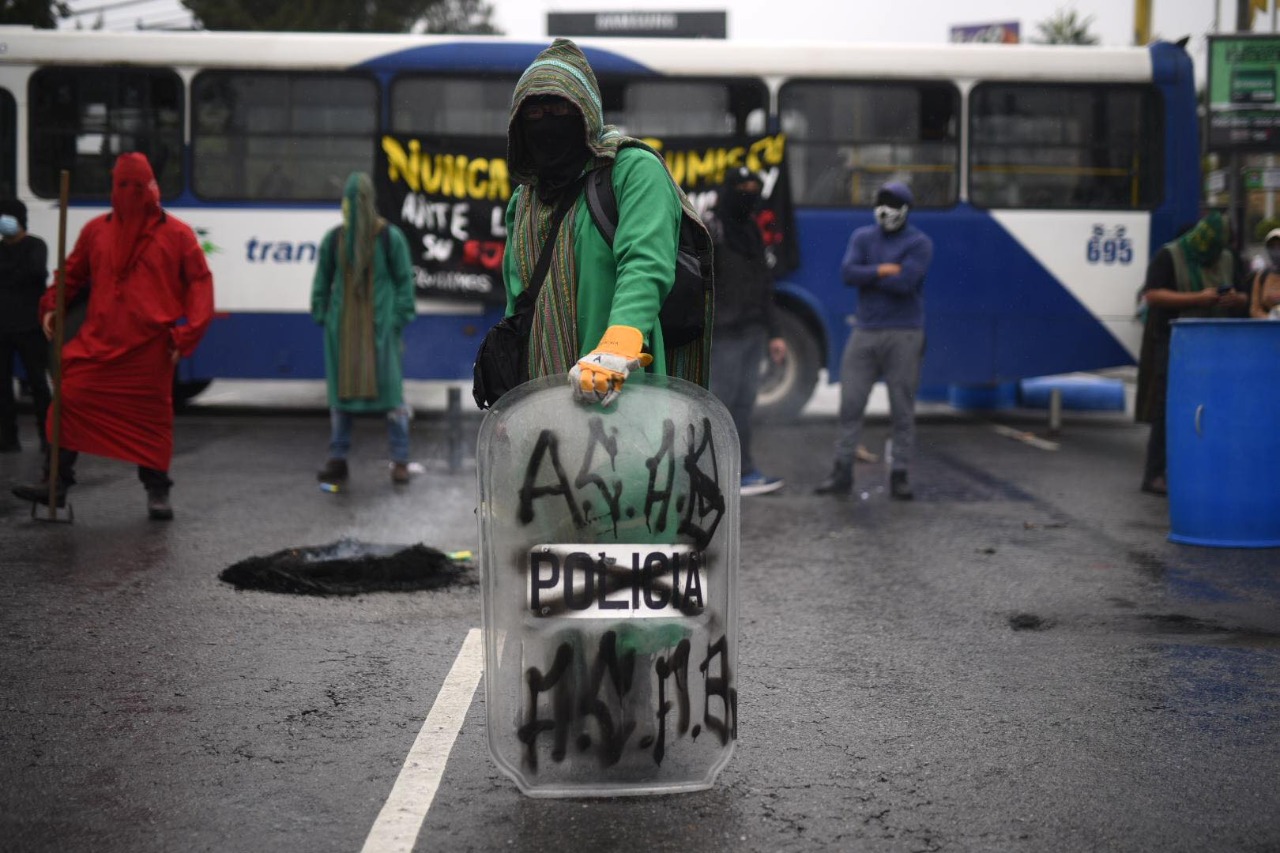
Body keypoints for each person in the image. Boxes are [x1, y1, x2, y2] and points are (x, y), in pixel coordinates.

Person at [501, 38, 711, 407]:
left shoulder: (632, 171)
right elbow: (517, 304)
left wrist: (619, 342)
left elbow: (645, 262)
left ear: (586, 112)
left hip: (621, 391)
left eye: (560, 109)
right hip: (541, 401)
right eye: (533, 115)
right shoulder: (525, 200)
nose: (546, 124)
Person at [10, 153, 215, 519]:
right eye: (122, 186)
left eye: (137, 186)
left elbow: (200, 283)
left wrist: (187, 336)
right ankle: (56, 482)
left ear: (152, 187)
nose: (130, 194)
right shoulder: (97, 231)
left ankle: (157, 490)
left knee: (151, 420)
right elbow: (71, 274)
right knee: (69, 401)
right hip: (98, 344)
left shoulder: (178, 235)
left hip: (149, 348)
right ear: (113, 189)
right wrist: (52, 304)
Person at [815, 181, 932, 500]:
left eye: (893, 204)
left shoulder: (920, 242)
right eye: (881, 203)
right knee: (850, 403)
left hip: (905, 332)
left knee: (901, 407)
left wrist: (871, 273)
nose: (885, 211)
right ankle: (841, 471)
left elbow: (906, 283)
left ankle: (900, 474)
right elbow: (848, 273)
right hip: (864, 330)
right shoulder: (862, 237)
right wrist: (884, 269)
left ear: (906, 210)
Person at [312, 172, 416, 488]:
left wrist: (396, 319)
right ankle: (337, 460)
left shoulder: (389, 238)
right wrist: (324, 316)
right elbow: (322, 282)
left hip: (380, 334)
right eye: (349, 199)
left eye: (358, 200)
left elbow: (404, 283)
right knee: (340, 402)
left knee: (393, 399)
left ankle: (400, 460)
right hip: (343, 336)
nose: (352, 207)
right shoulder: (334, 240)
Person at [1135, 211, 1248, 496]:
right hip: (1174, 341)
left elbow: (1247, 294)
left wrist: (1236, 299)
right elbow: (1153, 295)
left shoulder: (1228, 258)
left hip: (1216, 342)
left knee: (1217, 405)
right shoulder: (1170, 256)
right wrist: (1197, 298)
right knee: (1166, 405)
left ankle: (1209, 466)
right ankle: (1155, 473)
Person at [706, 167, 787, 495]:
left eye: (754, 187)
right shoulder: (712, 229)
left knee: (743, 404)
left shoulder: (752, 230)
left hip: (752, 332)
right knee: (720, 405)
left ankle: (743, 471)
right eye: (742, 187)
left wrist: (775, 333)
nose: (748, 193)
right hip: (723, 334)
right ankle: (715, 474)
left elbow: (764, 285)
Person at [0, 199, 52, 454]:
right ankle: (8, 439)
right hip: (3, 328)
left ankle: (48, 436)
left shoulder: (36, 246)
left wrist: (9, 275)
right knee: (2, 387)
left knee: (38, 384)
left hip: (30, 327)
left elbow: (36, 273)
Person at [1248, 227, 1280, 319]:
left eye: (1279, 246)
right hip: (1267, 330)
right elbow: (1255, 309)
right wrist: (1269, 318)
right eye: (1272, 247)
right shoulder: (1262, 276)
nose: (1277, 251)